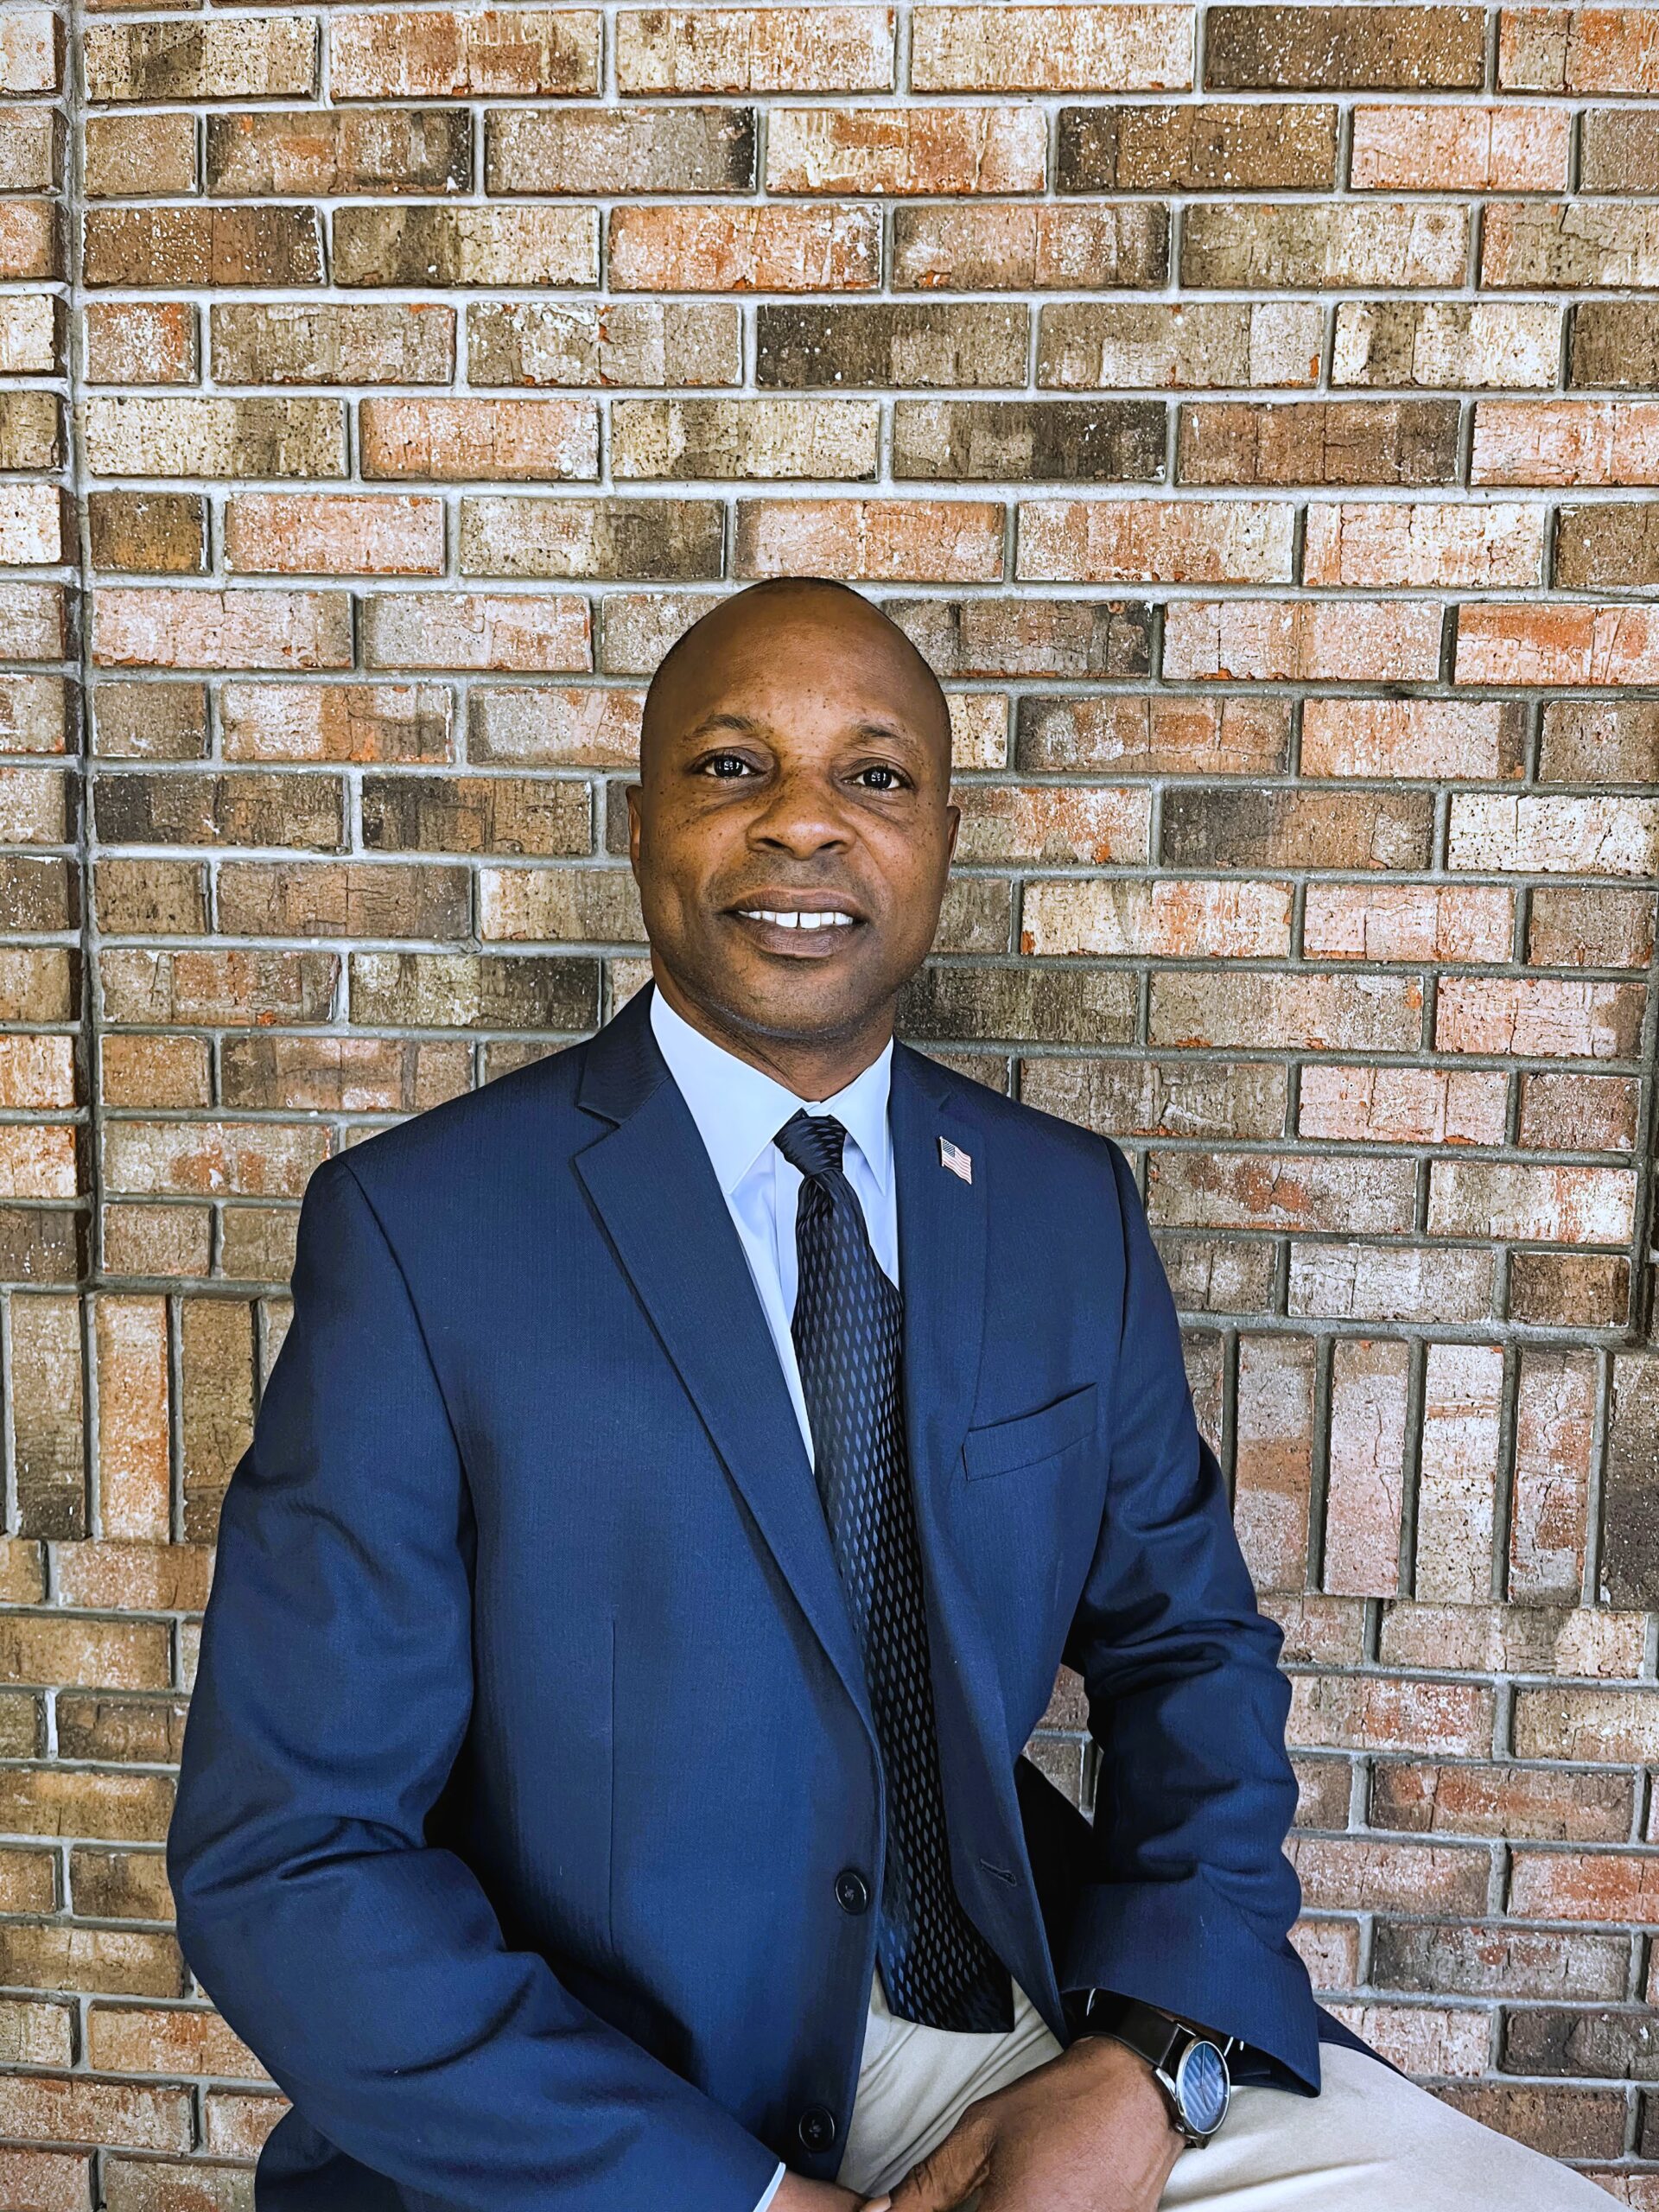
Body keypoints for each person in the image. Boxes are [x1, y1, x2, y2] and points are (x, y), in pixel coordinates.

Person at [167, 578, 1604, 2211]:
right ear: (639, 825)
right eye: (730, 768)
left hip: (1015, 2032)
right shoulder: (426, 1232)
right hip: (619, 2106)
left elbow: (1189, 1651)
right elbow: (289, 1855)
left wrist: (1148, 2064)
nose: (804, 827)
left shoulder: (1064, 1214)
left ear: (940, 835)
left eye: (875, 775)